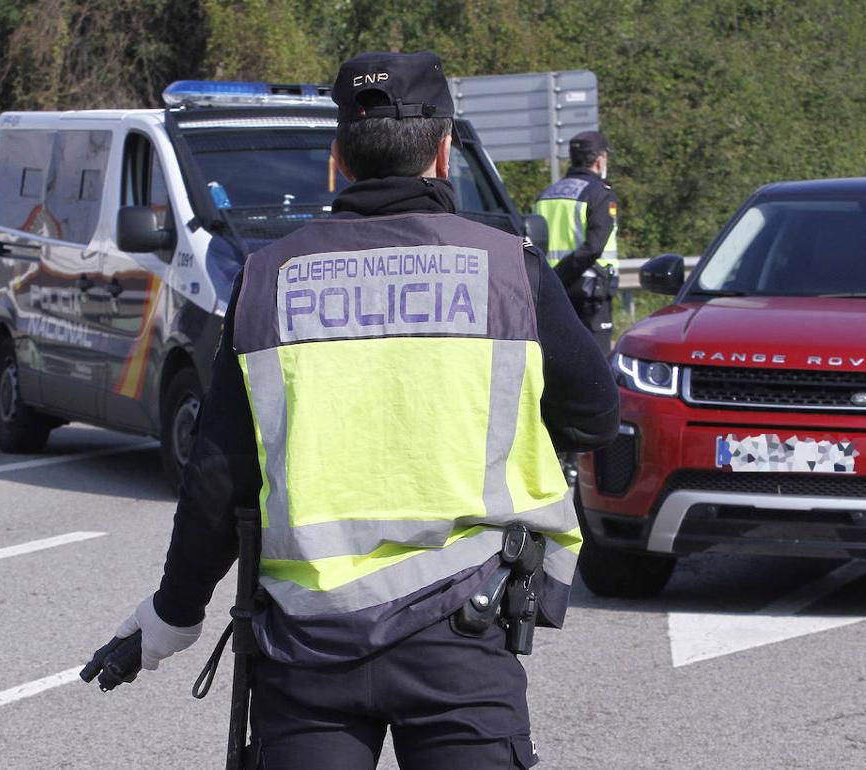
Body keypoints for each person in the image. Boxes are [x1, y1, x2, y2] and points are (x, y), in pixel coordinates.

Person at [105, 51, 619, 769]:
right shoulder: (509, 270)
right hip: (462, 637)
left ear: (338, 159)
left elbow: (219, 474)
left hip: (306, 648)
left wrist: (173, 615)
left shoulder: (268, 279)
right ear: (444, 151)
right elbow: (595, 415)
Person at [534, 131, 620, 354]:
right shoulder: (599, 194)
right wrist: (563, 275)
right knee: (596, 362)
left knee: (560, 358)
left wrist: (555, 280)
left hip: (551, 290)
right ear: (599, 159)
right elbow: (594, 247)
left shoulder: (545, 195)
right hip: (590, 293)